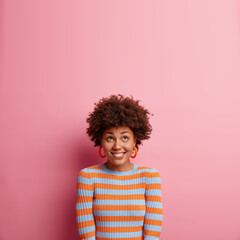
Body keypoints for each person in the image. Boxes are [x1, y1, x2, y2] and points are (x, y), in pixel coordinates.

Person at [76, 94, 163, 239]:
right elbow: (87, 233)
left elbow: (152, 233)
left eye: (125, 138)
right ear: (101, 141)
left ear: (135, 140)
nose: (117, 146)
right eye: (110, 138)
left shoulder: (149, 177)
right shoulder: (88, 177)